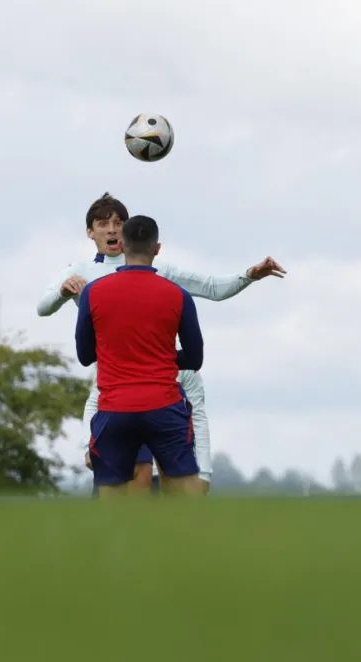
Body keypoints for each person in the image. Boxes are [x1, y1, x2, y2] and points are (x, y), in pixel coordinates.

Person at [37, 192, 285, 494]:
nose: (112, 229)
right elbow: (43, 307)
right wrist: (63, 292)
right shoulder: (80, 274)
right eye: (103, 223)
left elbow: (211, 287)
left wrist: (248, 276)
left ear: (128, 234)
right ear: (90, 231)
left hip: (167, 386)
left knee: (184, 486)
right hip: (114, 385)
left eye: (118, 223)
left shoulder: (162, 272)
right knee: (131, 478)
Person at [76, 215, 205, 498]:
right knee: (185, 497)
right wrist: (159, 360)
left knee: (111, 502)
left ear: (121, 245)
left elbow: (85, 356)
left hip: (114, 409)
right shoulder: (179, 295)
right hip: (165, 406)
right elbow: (195, 359)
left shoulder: (92, 293)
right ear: (157, 248)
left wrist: (120, 357)